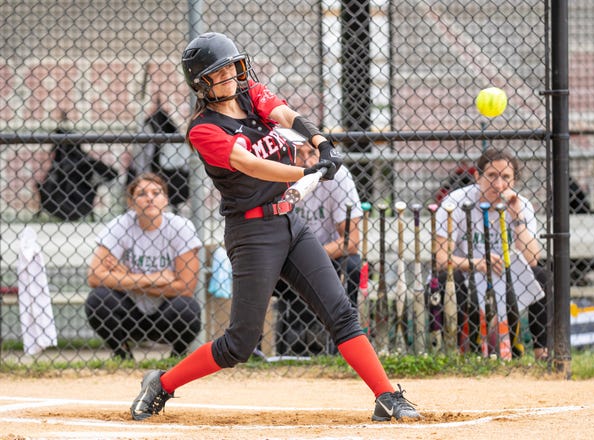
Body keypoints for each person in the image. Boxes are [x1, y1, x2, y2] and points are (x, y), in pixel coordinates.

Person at [129, 32, 420, 422]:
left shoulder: (251, 95)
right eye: (220, 72)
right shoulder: (203, 129)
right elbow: (249, 163)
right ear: (202, 82)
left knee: (341, 313)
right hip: (252, 234)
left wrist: (320, 141)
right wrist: (305, 170)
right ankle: (162, 384)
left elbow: (284, 114)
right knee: (239, 343)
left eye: (233, 66)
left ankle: (386, 394)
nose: (232, 75)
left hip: (290, 223)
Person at [433, 147, 548, 360]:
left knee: (542, 276)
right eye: (492, 176)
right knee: (446, 280)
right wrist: (476, 263)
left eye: (506, 177)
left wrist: (517, 219)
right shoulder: (455, 202)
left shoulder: (520, 205)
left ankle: (543, 353)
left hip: (508, 277)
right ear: (477, 176)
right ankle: (458, 353)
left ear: (514, 181)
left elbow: (532, 259)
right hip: (468, 274)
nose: (498, 185)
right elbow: (441, 258)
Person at [85, 172, 202, 360]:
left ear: (165, 199)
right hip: (130, 312)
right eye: (141, 194)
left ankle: (177, 356)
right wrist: (153, 279)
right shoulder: (120, 225)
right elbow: (94, 276)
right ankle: (122, 354)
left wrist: (125, 276)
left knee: (187, 308)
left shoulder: (181, 227)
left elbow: (186, 287)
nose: (150, 198)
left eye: (156, 193)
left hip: (166, 313)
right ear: (131, 202)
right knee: (98, 299)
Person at [274, 142, 362, 356]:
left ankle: (344, 349)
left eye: (312, 153)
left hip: (327, 256)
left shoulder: (337, 177)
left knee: (352, 264)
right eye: (298, 154)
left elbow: (351, 240)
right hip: (282, 258)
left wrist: (310, 259)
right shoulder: (276, 174)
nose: (307, 162)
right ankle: (254, 352)